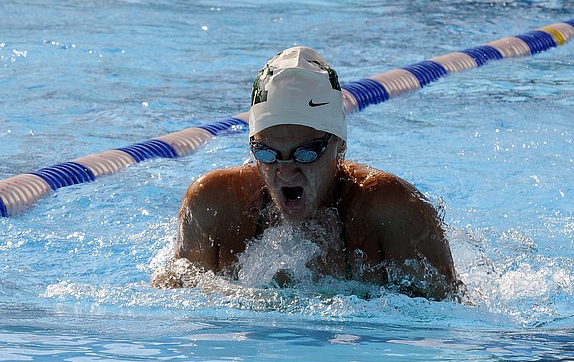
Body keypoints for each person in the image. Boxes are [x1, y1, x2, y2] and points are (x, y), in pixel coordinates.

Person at [152, 46, 461, 300]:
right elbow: (174, 300)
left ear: (339, 146)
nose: (284, 171)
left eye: (306, 152)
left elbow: (448, 317)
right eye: (266, 153)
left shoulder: (393, 210)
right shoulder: (214, 204)